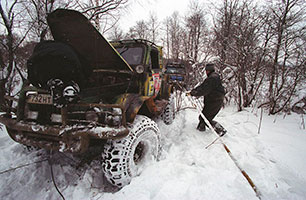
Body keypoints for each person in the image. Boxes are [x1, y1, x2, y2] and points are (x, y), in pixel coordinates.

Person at [189, 63, 225, 133]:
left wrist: (194, 93)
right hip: (213, 100)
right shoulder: (212, 77)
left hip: (215, 101)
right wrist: (193, 91)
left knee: (205, 118)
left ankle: (221, 131)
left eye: (207, 70)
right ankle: (200, 130)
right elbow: (202, 86)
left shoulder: (212, 78)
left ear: (209, 70)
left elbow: (204, 90)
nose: (206, 72)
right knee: (203, 117)